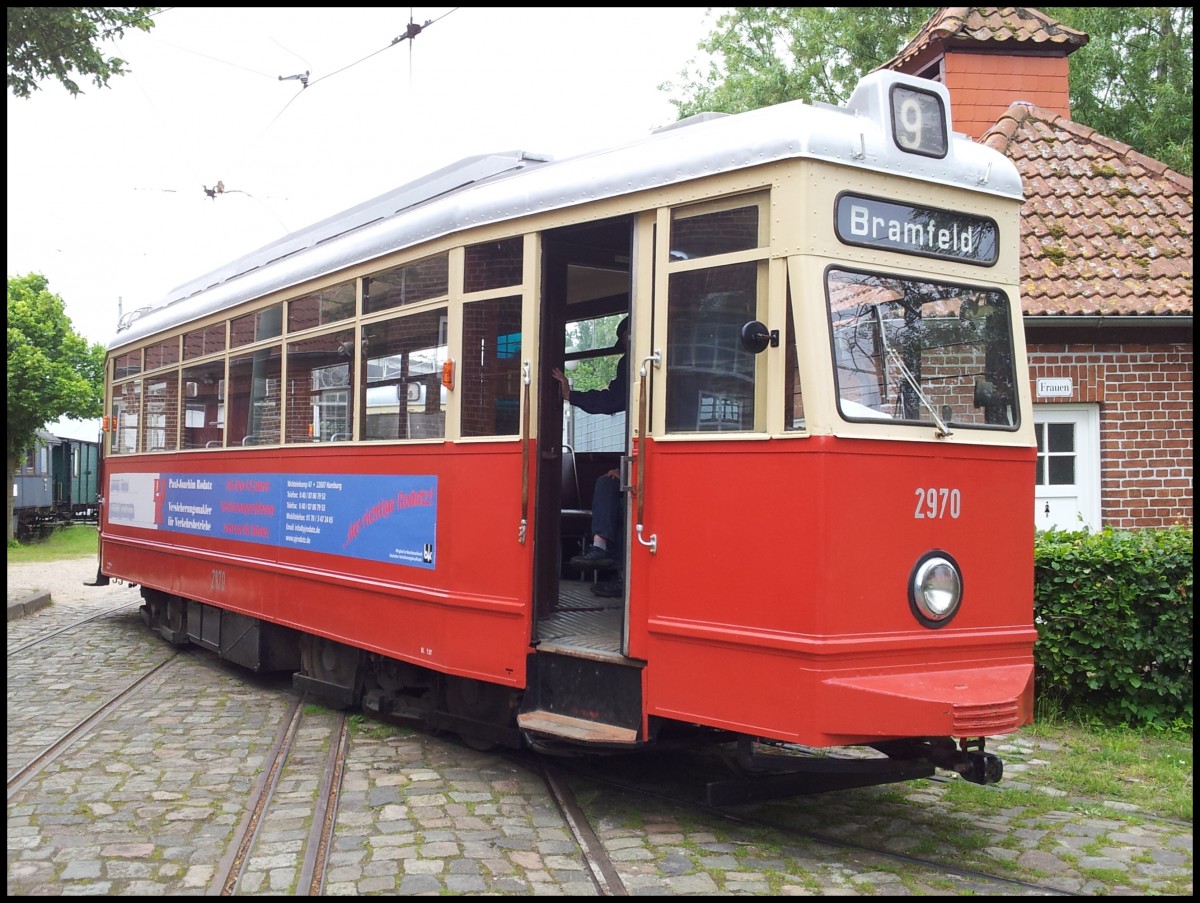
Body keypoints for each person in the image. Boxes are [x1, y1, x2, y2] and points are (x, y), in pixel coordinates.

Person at [551, 316, 629, 598]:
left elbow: (613, 399)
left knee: (615, 488)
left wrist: (572, 396)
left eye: (625, 341)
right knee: (608, 483)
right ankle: (603, 551)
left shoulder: (632, 362)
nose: (624, 348)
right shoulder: (632, 362)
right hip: (639, 458)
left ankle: (612, 563)